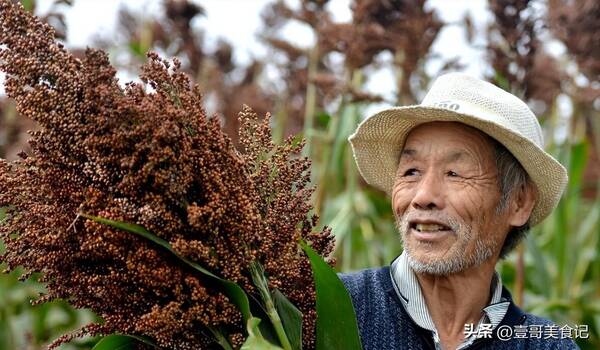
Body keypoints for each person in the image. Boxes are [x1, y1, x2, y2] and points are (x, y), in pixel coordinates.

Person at [341, 73, 579, 350]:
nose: (423, 196)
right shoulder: (330, 307)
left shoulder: (547, 345)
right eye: (411, 171)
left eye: (455, 173)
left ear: (519, 202)